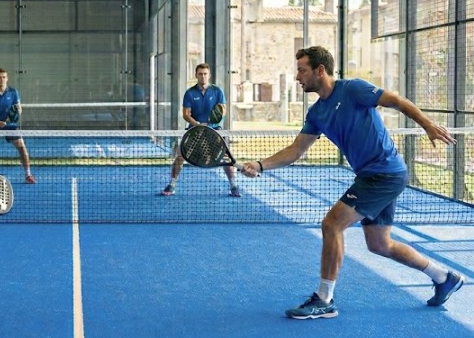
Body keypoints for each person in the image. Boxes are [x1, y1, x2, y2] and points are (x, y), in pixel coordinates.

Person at [241, 46, 463, 319]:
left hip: (384, 173)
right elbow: (296, 150)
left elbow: (396, 101)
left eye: (302, 70)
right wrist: (260, 164)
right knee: (380, 244)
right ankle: (444, 277)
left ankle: (324, 299)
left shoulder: (354, 89)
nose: (297, 77)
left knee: (332, 224)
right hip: (374, 175)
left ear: (320, 70)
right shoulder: (316, 113)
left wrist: (427, 125)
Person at [162, 63, 240, 197]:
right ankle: (172, 184)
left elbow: (222, 111)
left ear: (209, 75)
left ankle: (233, 186)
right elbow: (186, 114)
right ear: (196, 75)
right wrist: (198, 125)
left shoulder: (217, 91)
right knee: (180, 155)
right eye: (200, 74)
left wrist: (211, 124)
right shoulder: (190, 93)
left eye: (205, 74)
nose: (203, 76)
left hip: (215, 130)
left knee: (226, 157)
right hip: (194, 130)